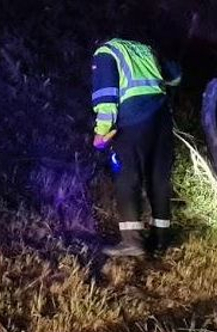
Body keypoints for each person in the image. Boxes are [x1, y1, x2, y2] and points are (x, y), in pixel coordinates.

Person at [91, 38, 181, 256]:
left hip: (132, 121)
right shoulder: (146, 49)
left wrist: (102, 132)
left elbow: (106, 95)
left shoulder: (105, 52)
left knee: (127, 176)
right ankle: (160, 240)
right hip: (161, 119)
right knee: (158, 178)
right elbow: (175, 76)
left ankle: (133, 242)